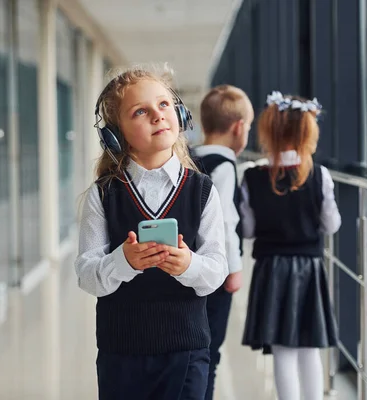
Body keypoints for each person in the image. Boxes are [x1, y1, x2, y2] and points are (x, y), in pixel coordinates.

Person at [74, 64, 228, 400]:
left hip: (187, 352)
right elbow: (86, 275)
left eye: (163, 105)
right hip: (121, 354)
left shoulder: (202, 191)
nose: (158, 116)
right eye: (140, 111)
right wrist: (123, 261)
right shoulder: (102, 195)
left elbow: (217, 270)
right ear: (115, 135)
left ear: (180, 114)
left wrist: (189, 264)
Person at [240, 91, 341, 400]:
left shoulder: (253, 177)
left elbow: (247, 229)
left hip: (271, 269)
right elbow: (332, 225)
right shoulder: (319, 176)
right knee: (309, 349)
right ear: (309, 132)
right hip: (308, 268)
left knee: (282, 351)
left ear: (268, 131)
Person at [191, 84, 254, 400]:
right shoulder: (225, 165)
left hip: (190, 265)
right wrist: (235, 268)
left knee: (193, 348)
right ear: (239, 128)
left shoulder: (188, 159)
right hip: (215, 271)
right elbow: (227, 221)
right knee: (209, 352)